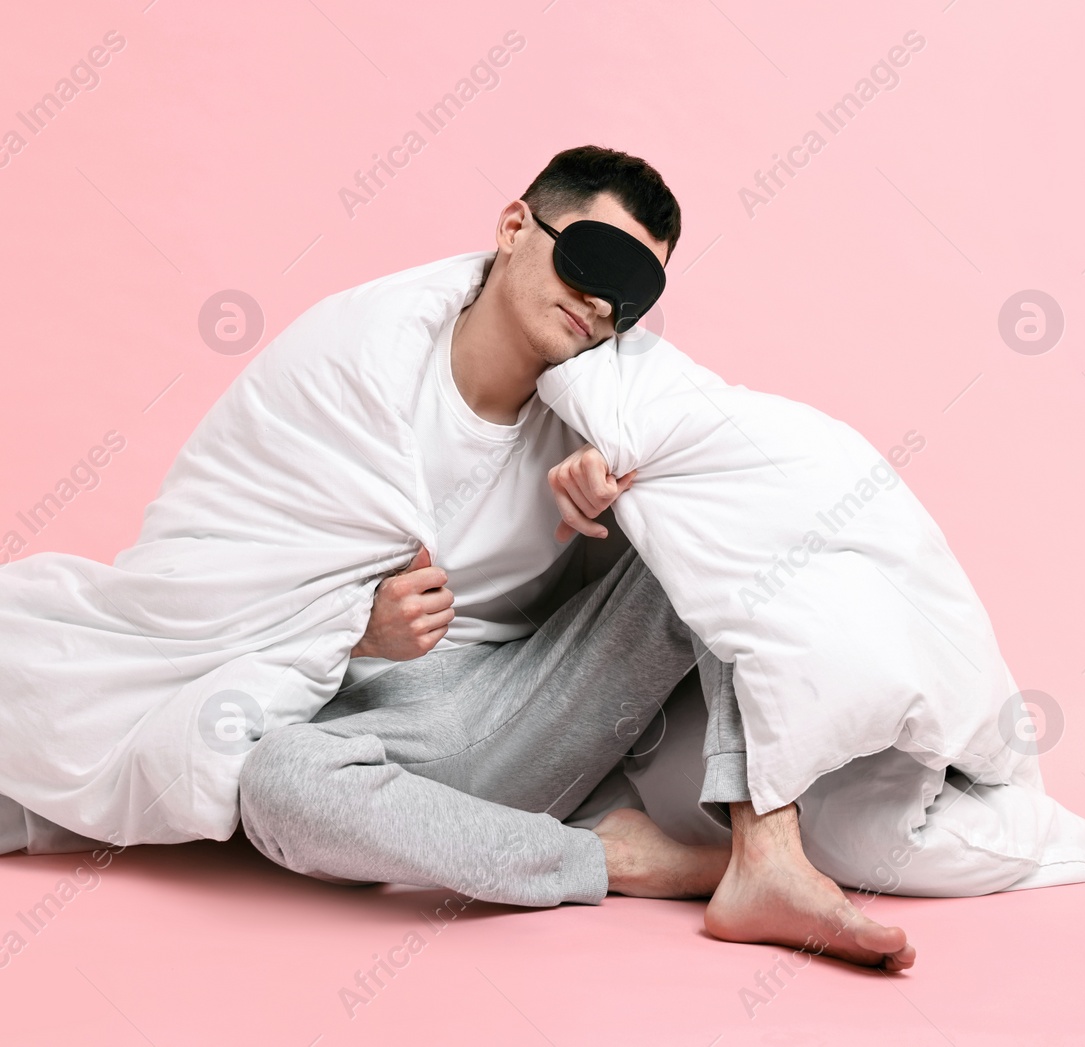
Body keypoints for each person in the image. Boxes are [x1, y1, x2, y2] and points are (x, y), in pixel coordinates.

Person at [236, 145, 914, 971]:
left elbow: (731, 495)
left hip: (537, 704)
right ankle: (628, 858)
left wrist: (627, 507)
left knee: (714, 513)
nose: (600, 300)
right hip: (382, 732)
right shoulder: (362, 367)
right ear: (515, 225)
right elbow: (238, 584)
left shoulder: (607, 401)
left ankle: (766, 851)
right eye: (592, 260)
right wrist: (356, 626)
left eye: (632, 294)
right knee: (276, 781)